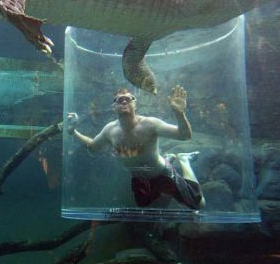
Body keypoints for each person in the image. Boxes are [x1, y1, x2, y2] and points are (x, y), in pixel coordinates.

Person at [66, 86, 205, 210]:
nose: (124, 101)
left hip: (162, 173)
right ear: (113, 107)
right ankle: (167, 158)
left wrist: (179, 113)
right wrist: (73, 132)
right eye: (119, 100)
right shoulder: (109, 130)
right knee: (144, 207)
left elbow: (184, 135)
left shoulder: (150, 124)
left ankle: (184, 160)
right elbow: (93, 147)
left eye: (129, 99)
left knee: (198, 204)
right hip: (139, 179)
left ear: (135, 105)